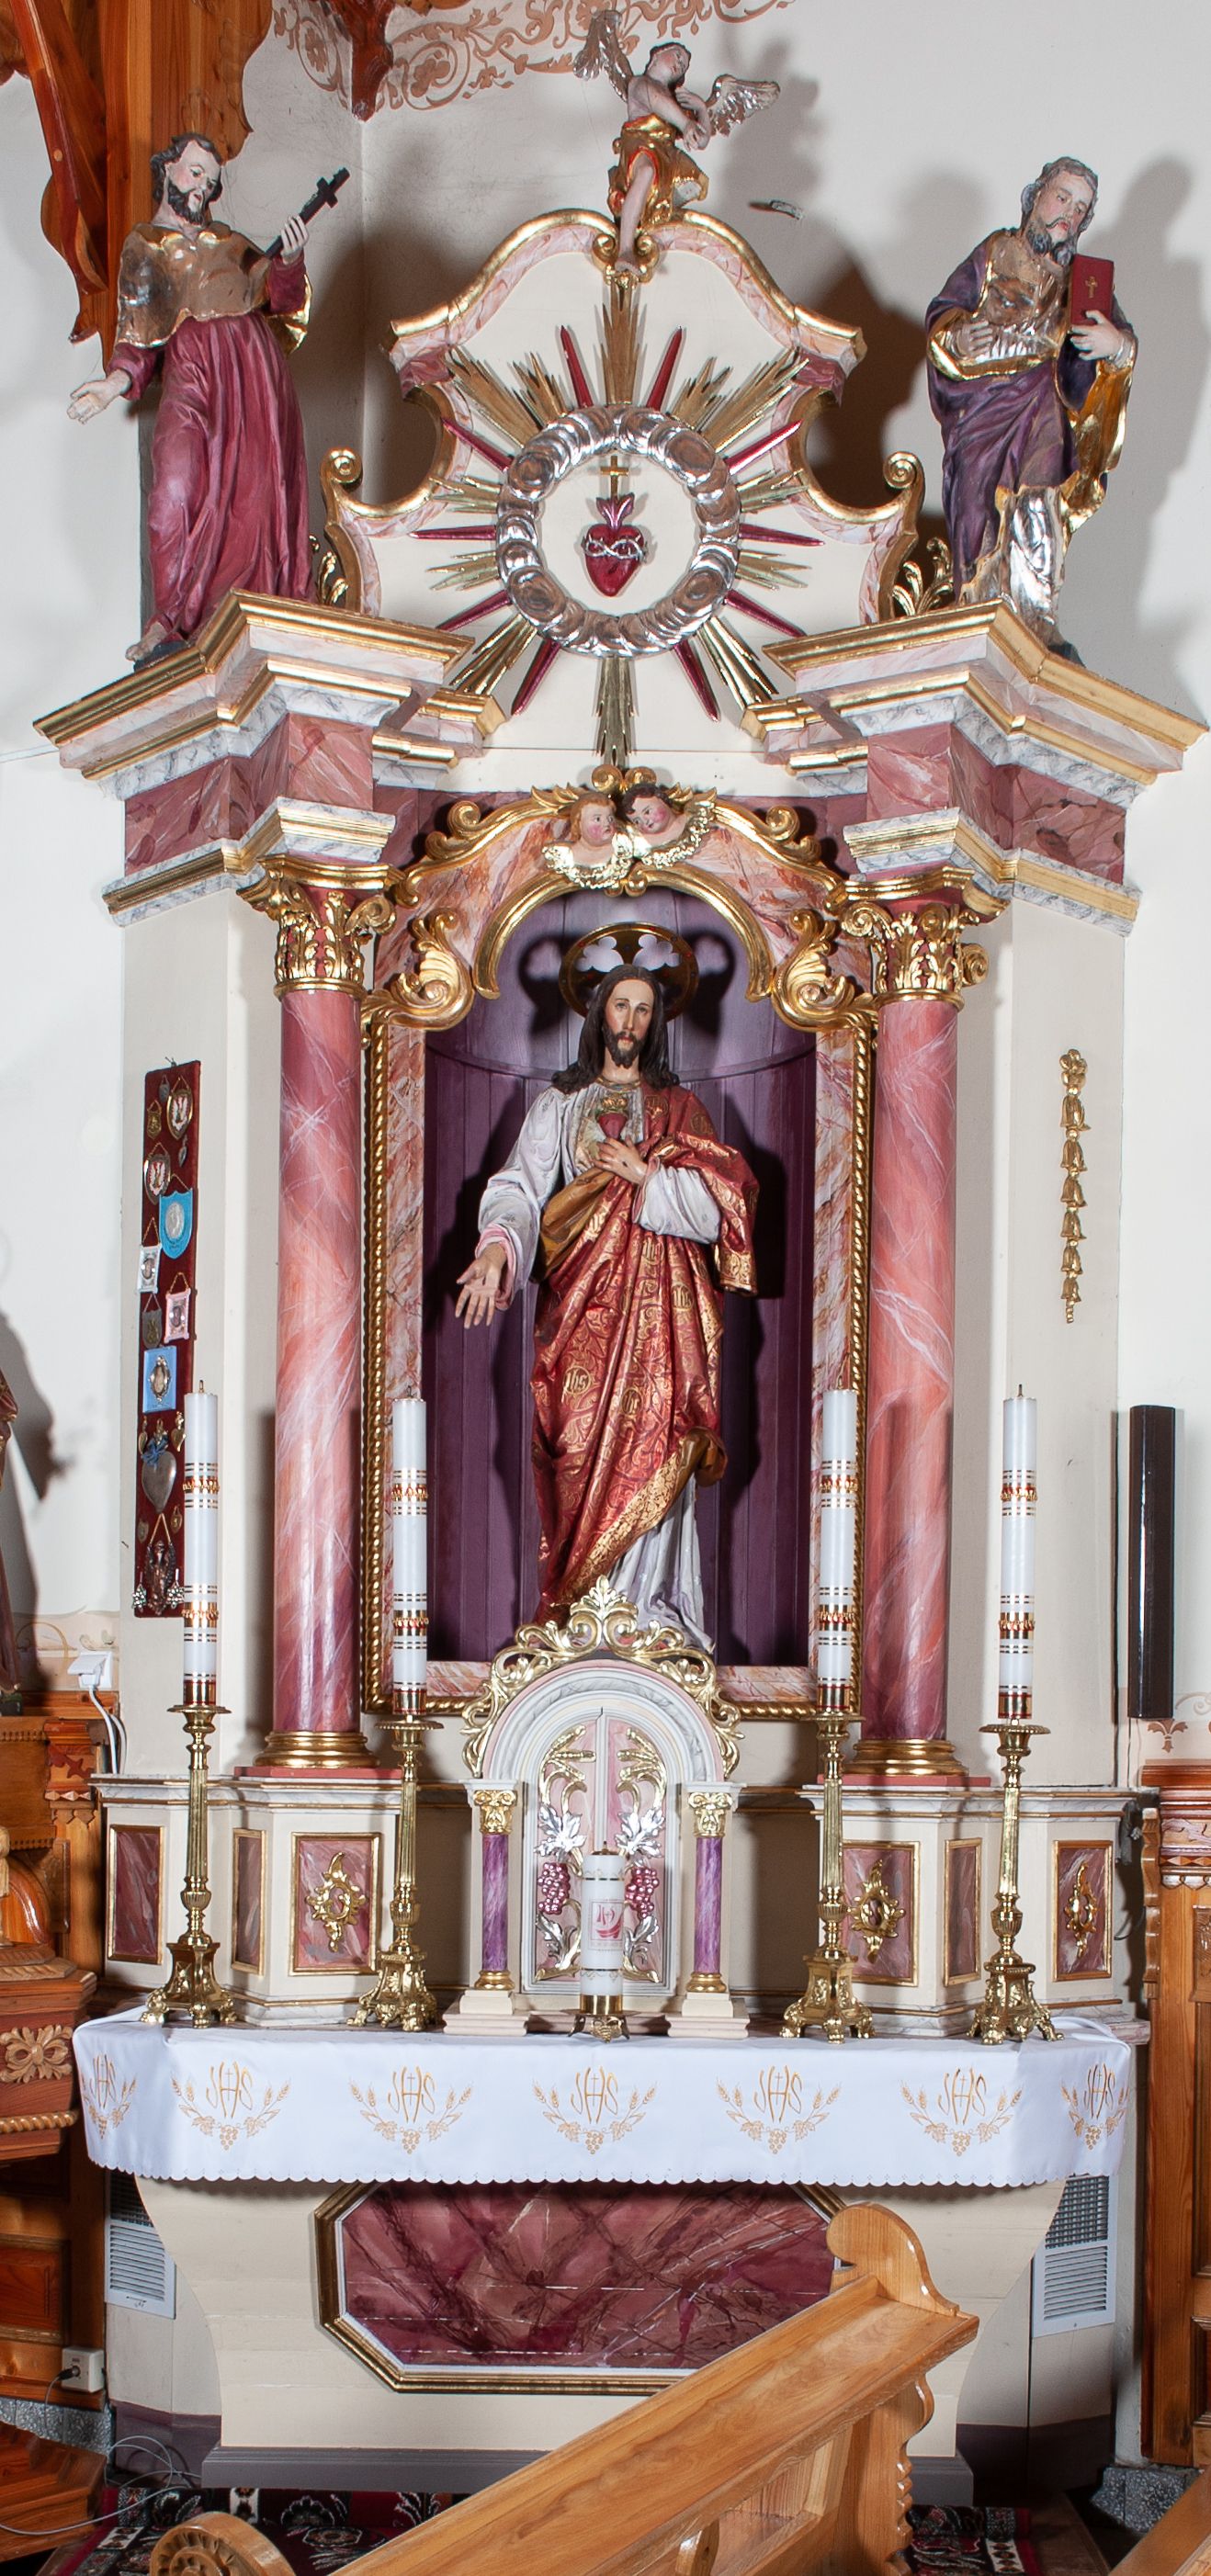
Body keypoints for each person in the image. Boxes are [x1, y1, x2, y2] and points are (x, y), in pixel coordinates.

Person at [455, 961, 756, 1644]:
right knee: (575, 1452)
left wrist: (648, 1177)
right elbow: (520, 1189)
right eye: (620, 1006)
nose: (630, 1022)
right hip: (581, 1315)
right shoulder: (559, 1108)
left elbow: (723, 1209)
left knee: (659, 1445)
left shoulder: (681, 1110)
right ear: (599, 1015)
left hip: (659, 1326)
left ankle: (651, 1617)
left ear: (656, 1023)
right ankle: (581, 1614)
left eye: (643, 1010)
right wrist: (497, 1250)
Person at [68, 134, 312, 664]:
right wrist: (112, 384)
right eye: (195, 172)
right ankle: (171, 619)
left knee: (254, 494)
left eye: (211, 180)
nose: (202, 186)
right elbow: (139, 334)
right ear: (168, 170)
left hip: (252, 378)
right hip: (192, 369)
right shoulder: (145, 247)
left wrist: (290, 260)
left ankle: (252, 610)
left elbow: (281, 299)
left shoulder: (230, 244)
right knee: (173, 489)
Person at [926, 158, 1136, 641]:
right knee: (977, 503)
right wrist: (957, 338)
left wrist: (1117, 346)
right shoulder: (996, 252)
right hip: (983, 412)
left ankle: (1033, 615)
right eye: (1062, 198)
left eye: (1080, 209)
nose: (1069, 215)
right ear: (1036, 195)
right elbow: (945, 313)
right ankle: (975, 602)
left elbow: (1121, 343)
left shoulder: (1086, 282)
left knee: (1039, 501)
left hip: (1045, 407)